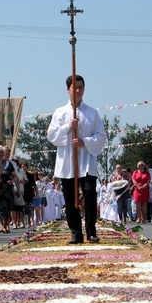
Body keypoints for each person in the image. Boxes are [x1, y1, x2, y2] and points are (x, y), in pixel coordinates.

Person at [46, 74, 106, 244]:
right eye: (75, 87)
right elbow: (51, 135)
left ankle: (91, 232)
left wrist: (84, 142)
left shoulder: (92, 113)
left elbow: (101, 136)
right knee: (71, 197)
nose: (78, 90)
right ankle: (76, 233)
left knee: (89, 194)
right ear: (68, 89)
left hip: (86, 160)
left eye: (81, 87)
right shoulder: (60, 112)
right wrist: (68, 127)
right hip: (67, 162)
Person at [0, 144, 16, 234]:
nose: (0, 154)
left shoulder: (8, 164)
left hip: (7, 190)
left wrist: (12, 181)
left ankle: (5, 226)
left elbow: (15, 176)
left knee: (6, 209)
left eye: (2, 152)